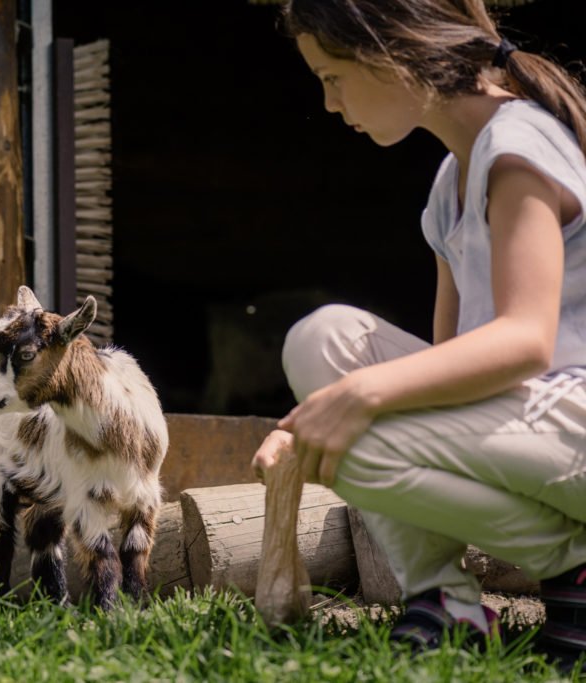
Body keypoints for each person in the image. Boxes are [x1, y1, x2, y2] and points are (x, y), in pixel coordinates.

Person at [251, 0, 586, 672]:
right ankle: (447, 601)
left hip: (570, 417)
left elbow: (526, 340)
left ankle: (573, 562)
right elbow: (444, 368)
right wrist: (307, 419)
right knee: (320, 341)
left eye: (333, 76)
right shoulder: (450, 182)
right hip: (532, 430)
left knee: (353, 445)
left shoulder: (519, 148)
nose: (329, 102)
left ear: (387, 51)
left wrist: (356, 399)